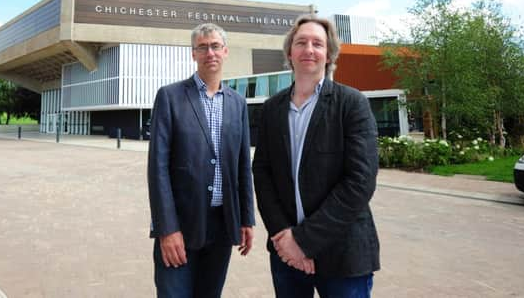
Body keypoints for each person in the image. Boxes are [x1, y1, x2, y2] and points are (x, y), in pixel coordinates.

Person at [252, 15, 379, 298]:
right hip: (286, 253)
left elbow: (360, 181)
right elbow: (262, 172)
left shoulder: (352, 103)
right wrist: (284, 237)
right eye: (301, 42)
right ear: (290, 53)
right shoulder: (272, 109)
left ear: (329, 54)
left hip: (343, 254)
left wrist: (304, 241)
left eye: (317, 43)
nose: (309, 49)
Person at [148, 23, 255, 298]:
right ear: (193, 54)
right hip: (180, 227)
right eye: (203, 47)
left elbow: (243, 166)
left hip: (221, 226)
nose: (210, 52)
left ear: (226, 51)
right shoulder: (170, 97)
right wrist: (167, 228)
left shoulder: (238, 104)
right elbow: (157, 168)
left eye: (216, 46)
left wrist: (246, 218)